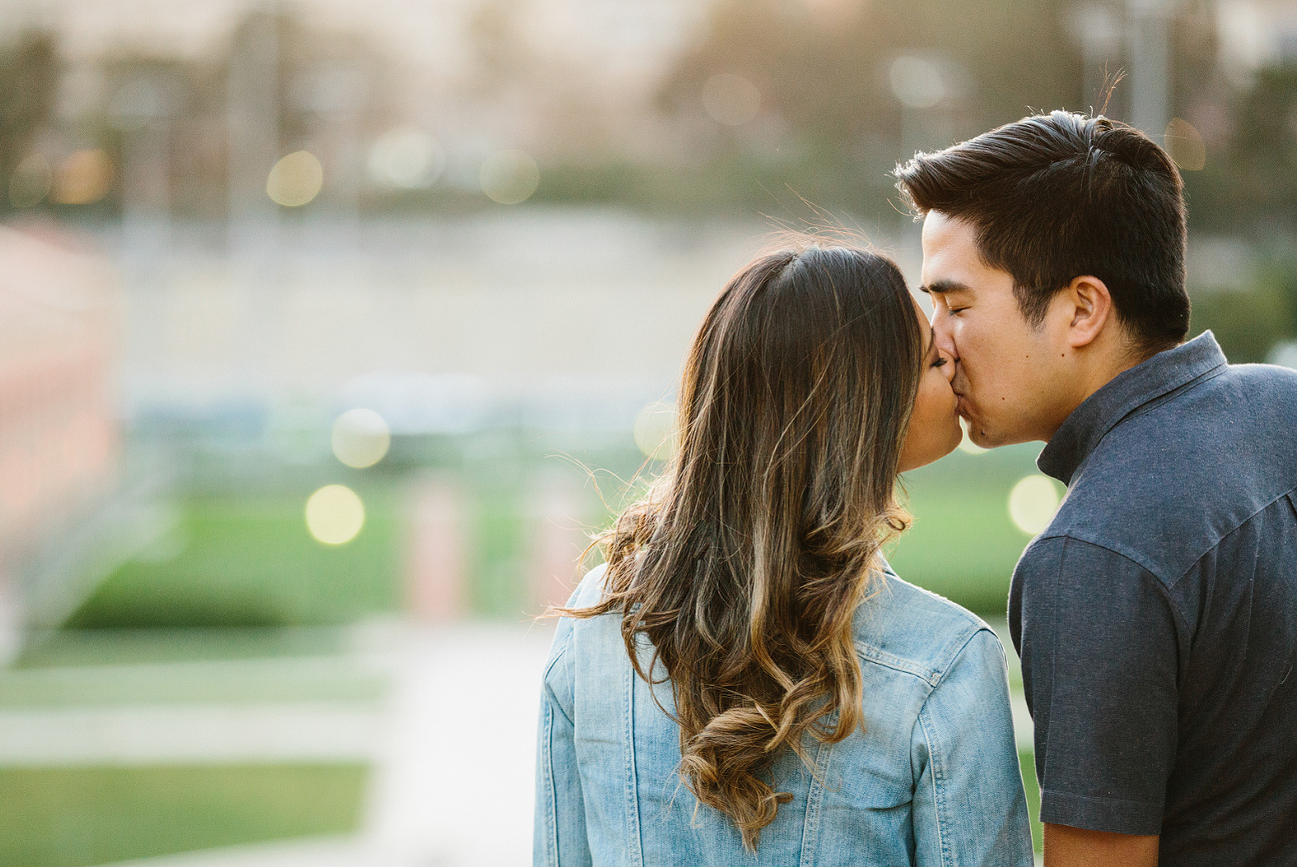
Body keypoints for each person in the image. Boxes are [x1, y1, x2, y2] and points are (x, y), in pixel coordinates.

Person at [533, 243, 1034, 866]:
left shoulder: (598, 622)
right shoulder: (942, 663)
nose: (952, 355)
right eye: (932, 361)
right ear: (864, 412)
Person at [896, 110, 1297, 866]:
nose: (936, 344)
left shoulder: (1092, 555)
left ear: (1081, 309)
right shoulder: (1286, 405)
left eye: (955, 305)